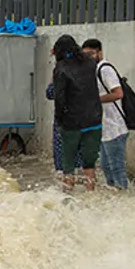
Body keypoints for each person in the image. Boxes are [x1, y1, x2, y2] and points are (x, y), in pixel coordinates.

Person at [52, 35, 102, 191]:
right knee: (89, 164)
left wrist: (60, 122)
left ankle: (68, 196)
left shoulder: (61, 68)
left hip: (72, 122)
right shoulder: (90, 63)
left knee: (68, 164)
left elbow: (59, 98)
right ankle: (91, 194)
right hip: (94, 120)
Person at [82, 39, 129, 189]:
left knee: (116, 169)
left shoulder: (104, 69)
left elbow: (118, 93)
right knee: (106, 169)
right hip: (104, 129)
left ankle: (125, 200)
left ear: (100, 53)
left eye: (91, 54)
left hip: (115, 129)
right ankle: (115, 203)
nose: (88, 57)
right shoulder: (94, 70)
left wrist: (94, 100)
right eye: (85, 55)